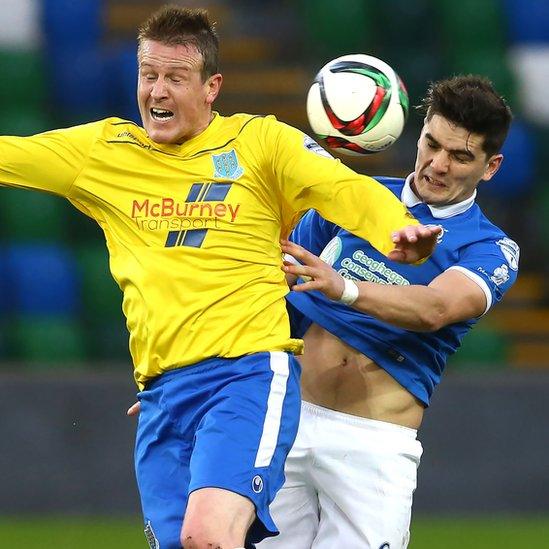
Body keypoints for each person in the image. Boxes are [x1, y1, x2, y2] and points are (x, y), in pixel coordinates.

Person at [0, 5, 439, 549]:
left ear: (212, 86)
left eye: (175, 79)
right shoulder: (102, 153)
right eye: (148, 75)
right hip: (161, 394)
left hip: (246, 376)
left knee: (209, 536)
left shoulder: (262, 144)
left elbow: (344, 189)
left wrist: (398, 231)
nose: (157, 92)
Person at [257, 75, 519, 549]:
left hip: (372, 446)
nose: (437, 165)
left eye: (460, 156)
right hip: (287, 423)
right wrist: (195, 371)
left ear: (490, 166)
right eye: (431, 144)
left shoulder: (491, 247)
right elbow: (276, 290)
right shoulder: (354, 198)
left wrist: (344, 288)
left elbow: (437, 307)